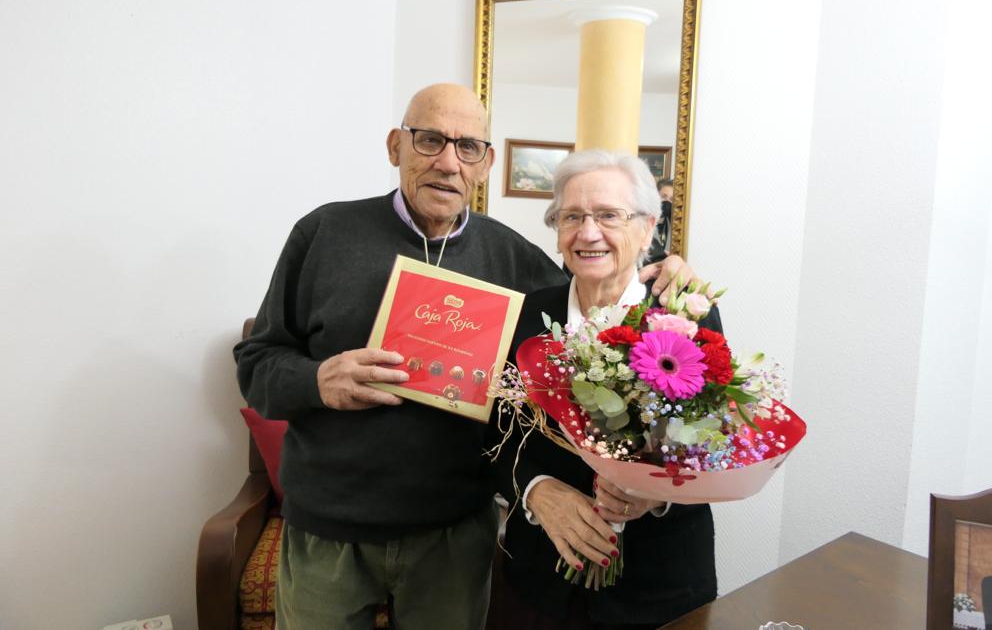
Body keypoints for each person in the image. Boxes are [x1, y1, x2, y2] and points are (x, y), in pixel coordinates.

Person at [234, 83, 696, 630]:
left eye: (468, 147)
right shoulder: (323, 233)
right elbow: (256, 363)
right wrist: (316, 382)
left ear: (486, 161)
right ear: (394, 147)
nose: (448, 163)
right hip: (329, 532)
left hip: (454, 537)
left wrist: (669, 269)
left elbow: (600, 298)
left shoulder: (515, 260)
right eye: (429, 140)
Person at [490, 150, 718, 630]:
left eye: (609, 215)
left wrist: (656, 496)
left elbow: (711, 442)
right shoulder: (528, 314)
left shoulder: (687, 314)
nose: (588, 233)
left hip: (661, 588)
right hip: (540, 588)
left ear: (648, 226)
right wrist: (535, 491)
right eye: (572, 216)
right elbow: (496, 432)